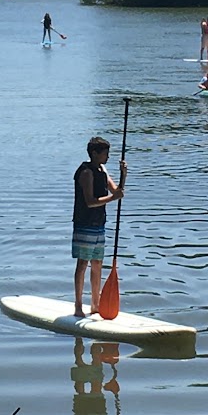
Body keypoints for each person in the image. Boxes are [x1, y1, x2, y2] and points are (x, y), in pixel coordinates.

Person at [72, 135, 127, 318]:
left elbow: (116, 191)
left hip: (99, 223)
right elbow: (90, 201)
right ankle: (78, 306)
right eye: (105, 153)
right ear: (94, 153)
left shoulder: (102, 170)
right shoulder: (86, 172)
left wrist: (123, 176)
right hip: (85, 223)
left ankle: (95, 304)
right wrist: (113, 198)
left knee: (97, 263)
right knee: (83, 263)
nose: (108, 157)